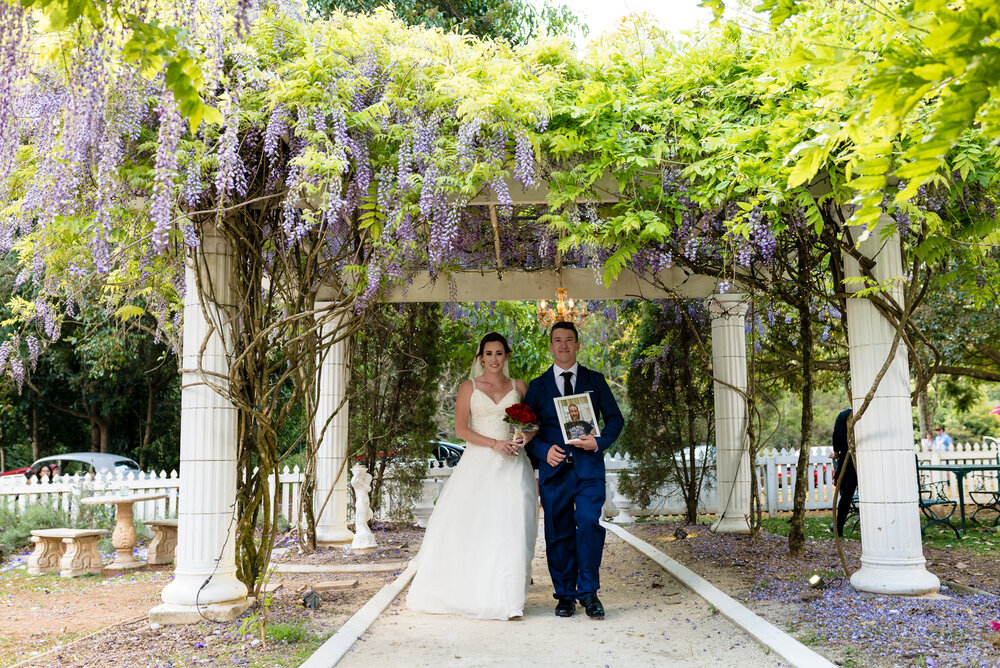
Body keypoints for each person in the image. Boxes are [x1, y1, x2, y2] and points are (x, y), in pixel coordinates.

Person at [407, 332, 538, 620]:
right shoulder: (469, 387)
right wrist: (494, 444)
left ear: (507, 356)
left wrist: (523, 437)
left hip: (514, 465)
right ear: (481, 357)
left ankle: (510, 596)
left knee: (513, 525)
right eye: (488, 354)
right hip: (478, 463)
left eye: (499, 353)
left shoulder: (519, 386)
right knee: (476, 525)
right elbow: (461, 430)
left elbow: (533, 425)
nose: (494, 359)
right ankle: (474, 588)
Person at [524, 321, 624, 619]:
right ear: (551, 346)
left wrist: (599, 441)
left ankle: (589, 592)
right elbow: (526, 431)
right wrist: (543, 451)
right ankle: (565, 594)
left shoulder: (595, 380)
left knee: (589, 523)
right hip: (555, 472)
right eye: (558, 340)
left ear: (578, 345)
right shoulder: (538, 386)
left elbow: (616, 420)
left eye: (569, 340)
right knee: (558, 531)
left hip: (588, 468)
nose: (563, 345)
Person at [832, 408, 857, 536]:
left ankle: (839, 524)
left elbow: (837, 435)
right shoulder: (867, 413)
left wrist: (836, 451)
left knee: (846, 495)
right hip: (865, 458)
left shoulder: (844, 415)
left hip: (848, 459)